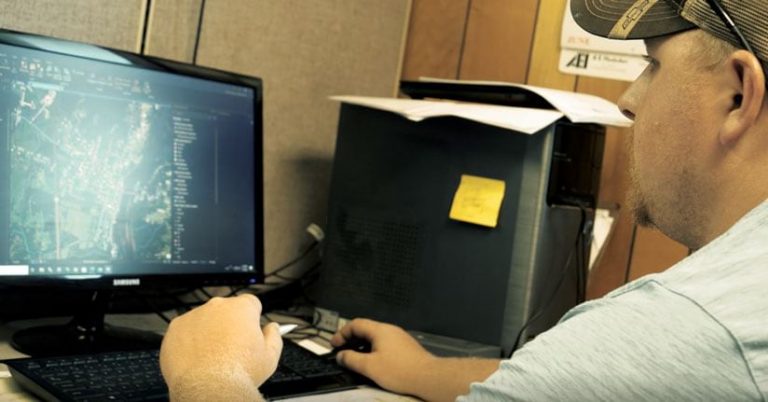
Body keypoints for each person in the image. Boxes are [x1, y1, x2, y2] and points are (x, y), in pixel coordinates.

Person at [159, 0, 768, 400]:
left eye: (653, 65)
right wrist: (428, 371)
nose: (629, 100)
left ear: (739, 95)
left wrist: (209, 376)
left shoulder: (690, 327)